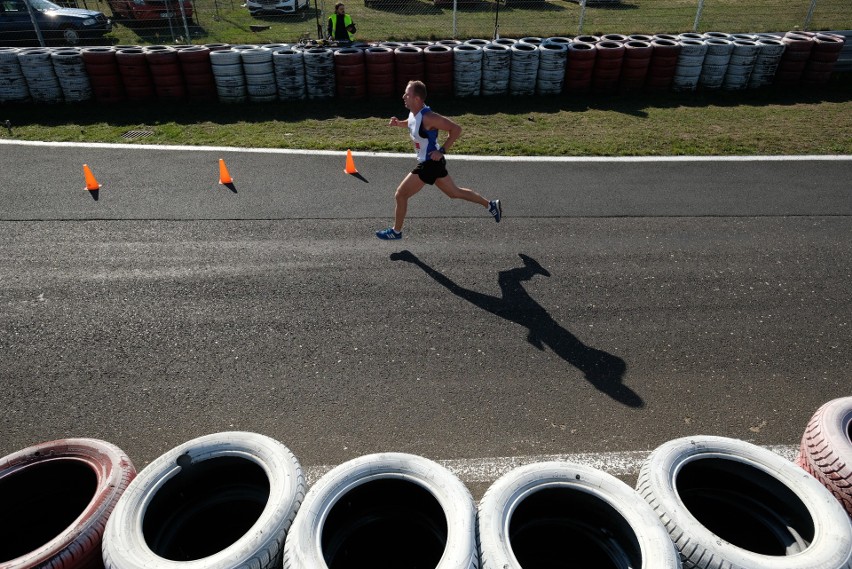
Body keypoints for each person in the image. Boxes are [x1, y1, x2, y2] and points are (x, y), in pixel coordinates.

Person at [376, 80, 502, 240]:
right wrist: (399, 124)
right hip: (433, 164)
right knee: (454, 193)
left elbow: (456, 129)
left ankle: (396, 231)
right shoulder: (413, 112)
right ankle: (491, 204)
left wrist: (441, 151)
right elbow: (412, 123)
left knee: (400, 195)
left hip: (429, 163)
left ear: (417, 99)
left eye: (407, 94)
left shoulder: (429, 117)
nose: (403, 96)